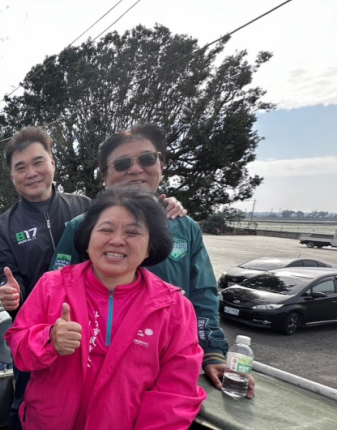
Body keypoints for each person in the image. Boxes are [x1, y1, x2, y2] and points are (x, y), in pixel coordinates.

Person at [5, 186, 205, 430]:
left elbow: (178, 391)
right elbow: (17, 347)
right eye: (106, 229)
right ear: (88, 237)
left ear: (151, 245)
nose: (116, 240)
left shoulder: (173, 307)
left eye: (133, 232)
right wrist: (48, 339)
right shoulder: (52, 286)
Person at [0, 127, 187, 430]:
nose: (31, 172)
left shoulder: (84, 207)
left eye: (38, 162)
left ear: (53, 163)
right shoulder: (6, 225)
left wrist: (168, 206)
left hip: (93, 319)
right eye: (21, 167)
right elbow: (3, 270)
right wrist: (10, 291)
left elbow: (130, 209)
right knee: (25, 403)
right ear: (12, 175)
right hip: (41, 321)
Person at [49, 124, 253, 398]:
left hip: (166, 364)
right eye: (122, 163)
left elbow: (203, 295)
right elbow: (54, 296)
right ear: (105, 176)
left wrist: (213, 352)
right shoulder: (81, 228)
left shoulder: (185, 228)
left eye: (146, 159)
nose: (135, 170)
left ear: (161, 164)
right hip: (93, 368)